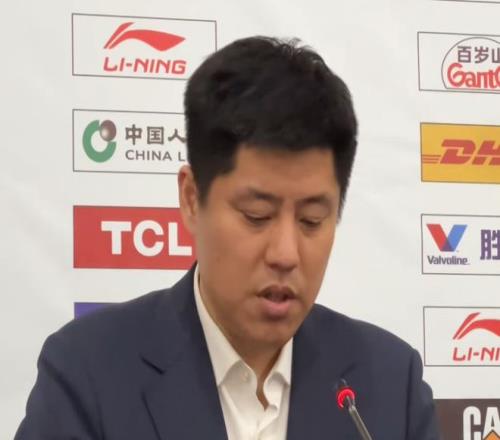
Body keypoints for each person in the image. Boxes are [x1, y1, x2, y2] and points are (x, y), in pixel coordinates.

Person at [15, 36, 440, 439]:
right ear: (191, 198)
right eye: (257, 216)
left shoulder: (390, 384)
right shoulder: (87, 373)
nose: (286, 254)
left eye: (311, 220)